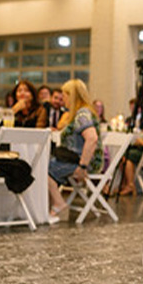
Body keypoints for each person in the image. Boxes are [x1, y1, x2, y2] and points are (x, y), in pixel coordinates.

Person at [46, 79, 101, 222]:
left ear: (72, 96)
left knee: (42, 168)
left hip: (81, 161)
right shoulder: (80, 113)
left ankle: (59, 203)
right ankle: (53, 204)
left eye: (64, 96)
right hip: (75, 158)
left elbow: (92, 138)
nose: (63, 100)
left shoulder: (82, 114)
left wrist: (82, 166)